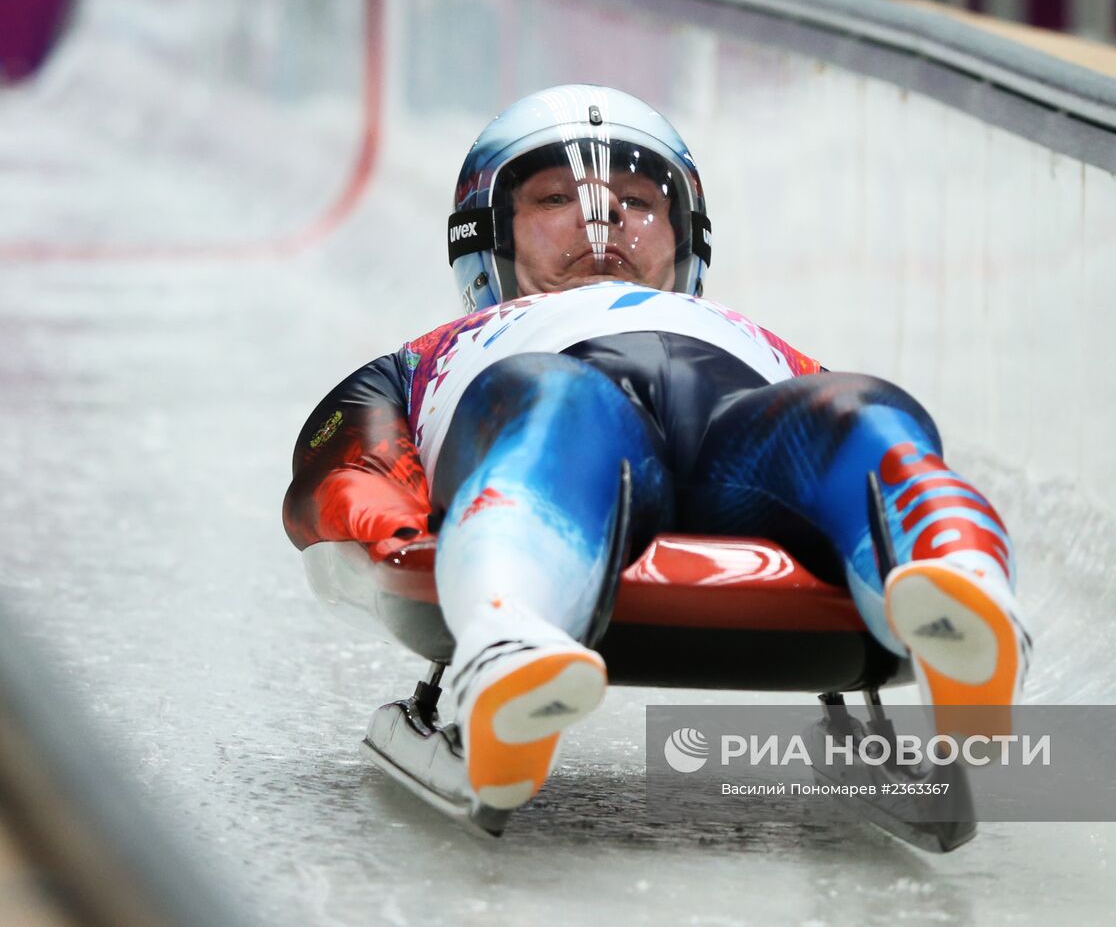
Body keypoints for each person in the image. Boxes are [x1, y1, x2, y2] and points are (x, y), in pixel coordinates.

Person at [283, 84, 1030, 816]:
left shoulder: (759, 340)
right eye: (553, 200)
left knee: (861, 409)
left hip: (738, 427)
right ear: (488, 237)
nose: (603, 214)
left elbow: (861, 440)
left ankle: (958, 589)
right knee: (554, 406)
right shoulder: (431, 356)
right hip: (571, 421)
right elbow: (350, 464)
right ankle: (508, 639)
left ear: (685, 236)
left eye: (638, 202)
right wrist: (404, 538)